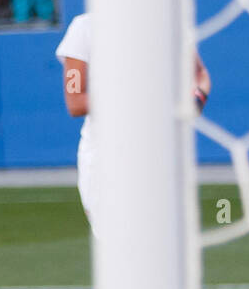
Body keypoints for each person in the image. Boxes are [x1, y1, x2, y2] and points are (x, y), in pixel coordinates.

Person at [56, 12, 210, 234]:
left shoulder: (167, 22)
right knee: (118, 247)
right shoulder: (85, 27)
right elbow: (75, 101)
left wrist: (195, 102)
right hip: (105, 160)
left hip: (159, 154)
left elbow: (199, 74)